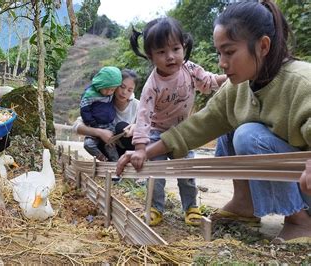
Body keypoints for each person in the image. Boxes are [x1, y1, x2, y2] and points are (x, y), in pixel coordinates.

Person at [117, 1, 311, 241]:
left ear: (262, 46)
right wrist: (146, 152)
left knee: (248, 134)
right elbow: (199, 125)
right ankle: (244, 205)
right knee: (230, 127)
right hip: (296, 178)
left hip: (306, 184)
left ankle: (300, 220)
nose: (221, 62)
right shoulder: (236, 88)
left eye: (229, 52)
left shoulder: (301, 81)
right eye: (219, 53)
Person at [129, 17, 227, 226]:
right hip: (156, 133)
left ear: (184, 46)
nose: (170, 57)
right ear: (151, 56)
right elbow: (143, 117)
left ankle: (191, 207)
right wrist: (139, 148)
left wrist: (228, 77)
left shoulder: (190, 69)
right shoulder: (152, 85)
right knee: (156, 174)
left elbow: (208, 82)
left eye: (175, 49)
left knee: (186, 170)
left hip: (182, 131)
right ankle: (155, 207)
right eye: (161, 52)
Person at [73, 69, 140, 157]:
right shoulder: (102, 102)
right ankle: (110, 162)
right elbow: (76, 126)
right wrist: (100, 132)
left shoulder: (138, 106)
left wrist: (136, 126)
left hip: (130, 150)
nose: (124, 92)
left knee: (121, 126)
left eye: (129, 90)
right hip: (111, 148)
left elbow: (150, 128)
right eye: (122, 87)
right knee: (91, 141)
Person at [79, 66, 122, 162]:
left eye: (112, 90)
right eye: (107, 89)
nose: (109, 92)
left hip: (109, 126)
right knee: (88, 144)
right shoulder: (89, 95)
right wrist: (92, 123)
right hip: (94, 126)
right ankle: (103, 159)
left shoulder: (111, 94)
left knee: (110, 145)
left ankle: (116, 165)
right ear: (100, 84)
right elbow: (84, 110)